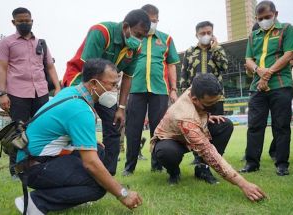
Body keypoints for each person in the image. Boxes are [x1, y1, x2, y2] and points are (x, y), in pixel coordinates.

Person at [14, 58, 143, 214]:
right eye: (112, 84)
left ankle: (72, 195)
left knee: (97, 150)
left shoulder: (71, 92)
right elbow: (91, 164)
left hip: (29, 159)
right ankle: (36, 203)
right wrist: (122, 193)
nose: (115, 89)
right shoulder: (80, 110)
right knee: (98, 185)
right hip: (33, 167)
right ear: (94, 83)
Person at [151, 74, 267, 202]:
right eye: (210, 103)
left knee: (224, 125)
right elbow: (209, 152)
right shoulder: (184, 116)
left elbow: (198, 112)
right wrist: (244, 184)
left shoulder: (196, 88)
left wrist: (205, 117)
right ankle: (174, 172)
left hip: (192, 130)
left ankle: (202, 169)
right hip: (171, 140)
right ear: (195, 99)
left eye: (216, 101)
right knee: (166, 152)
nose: (214, 106)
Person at [62, 9, 150, 175]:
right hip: (81, 80)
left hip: (106, 86)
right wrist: (89, 107)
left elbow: (128, 78)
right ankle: (75, 172)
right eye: (137, 34)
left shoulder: (135, 49)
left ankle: (108, 175)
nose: (139, 40)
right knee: (78, 124)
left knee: (114, 124)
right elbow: (89, 72)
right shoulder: (101, 32)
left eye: (143, 37)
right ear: (125, 27)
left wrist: (121, 108)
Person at [0, 7, 61, 179]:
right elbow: (1, 69)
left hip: (41, 93)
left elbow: (50, 67)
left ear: (32, 20)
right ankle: (15, 169)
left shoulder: (41, 43)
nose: (25, 23)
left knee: (43, 129)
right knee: (18, 131)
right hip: (17, 93)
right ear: (13, 22)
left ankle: (39, 165)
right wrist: (2, 93)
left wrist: (58, 87)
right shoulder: (6, 43)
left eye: (27, 20)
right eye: (21, 21)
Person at [240, 0, 293, 176]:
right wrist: (258, 70)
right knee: (255, 126)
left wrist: (268, 73)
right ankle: (252, 163)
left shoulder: (286, 29)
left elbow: (289, 54)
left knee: (281, 125)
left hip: (280, 85)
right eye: (260, 18)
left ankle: (281, 164)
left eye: (268, 17)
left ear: (276, 14)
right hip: (257, 87)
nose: (264, 20)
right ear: (256, 18)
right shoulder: (253, 35)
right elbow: (249, 59)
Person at [122, 4, 180, 176]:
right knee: (133, 129)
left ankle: (157, 164)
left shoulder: (166, 39)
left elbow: (171, 65)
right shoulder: (133, 38)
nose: (151, 24)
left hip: (160, 90)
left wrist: (174, 89)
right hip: (135, 89)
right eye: (148, 20)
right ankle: (129, 166)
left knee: (158, 129)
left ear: (157, 20)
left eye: (154, 21)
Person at [179, 20, 228, 183]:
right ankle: (199, 160)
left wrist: (216, 48)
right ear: (197, 35)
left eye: (209, 32)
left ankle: (210, 161)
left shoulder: (218, 49)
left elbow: (224, 67)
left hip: (216, 97)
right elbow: (184, 74)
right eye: (202, 33)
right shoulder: (189, 52)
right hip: (195, 99)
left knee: (217, 127)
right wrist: (183, 96)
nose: (206, 36)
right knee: (196, 128)